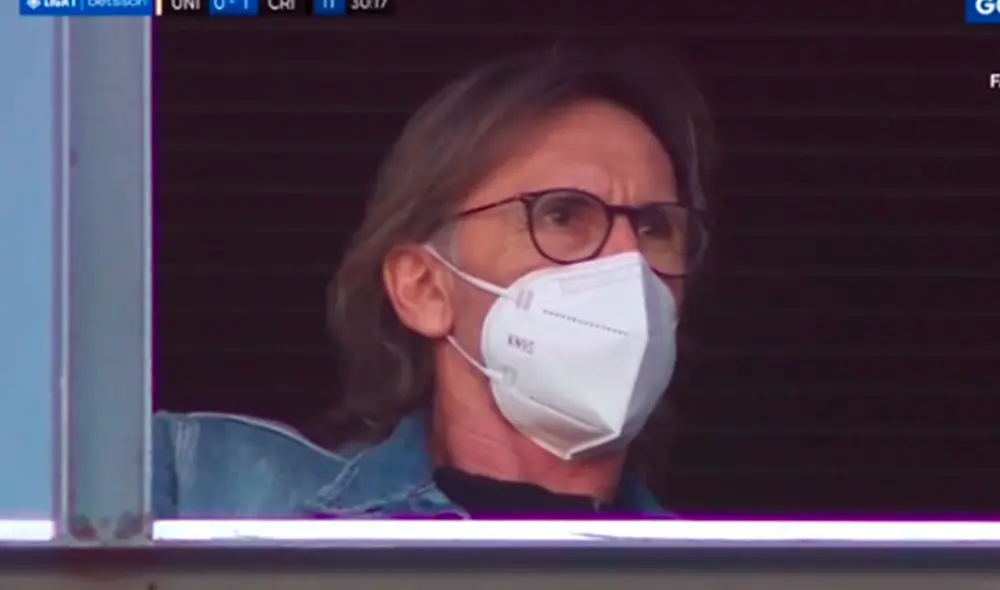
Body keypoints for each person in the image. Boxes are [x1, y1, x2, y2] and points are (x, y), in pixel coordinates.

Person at [153, 46, 715, 519]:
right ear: (423, 288)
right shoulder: (200, 490)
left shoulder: (727, 574)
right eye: (562, 215)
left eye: (654, 226)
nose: (628, 260)